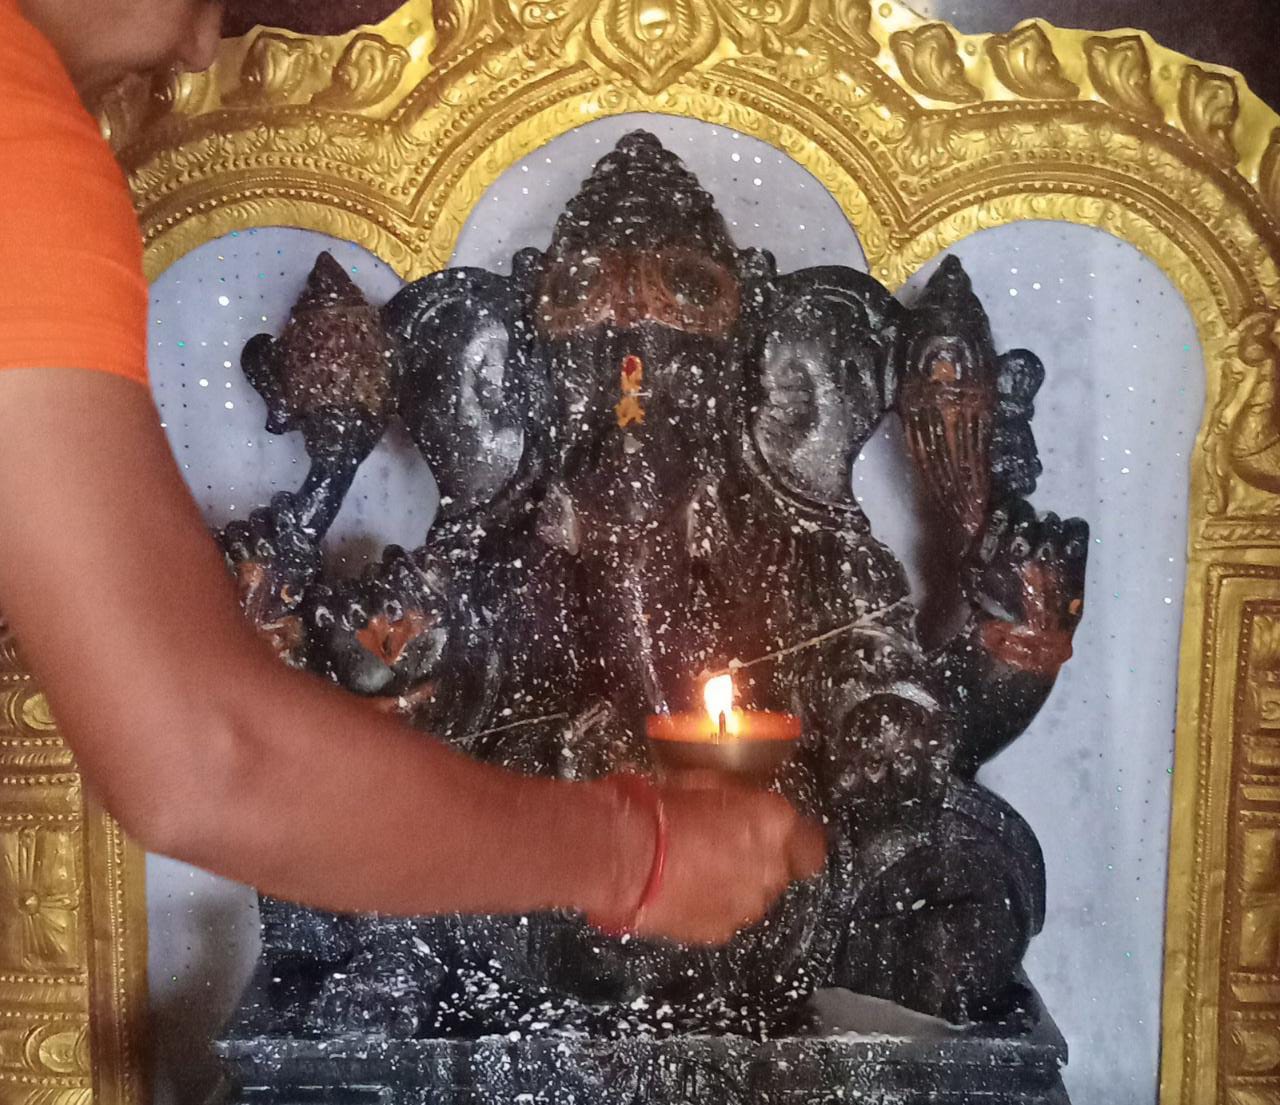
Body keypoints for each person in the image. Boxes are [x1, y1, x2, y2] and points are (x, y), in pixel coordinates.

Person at [0, 0, 826, 946]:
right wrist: (638, 853)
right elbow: (206, 757)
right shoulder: (18, 138)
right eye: (206, 0)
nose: (196, 50)